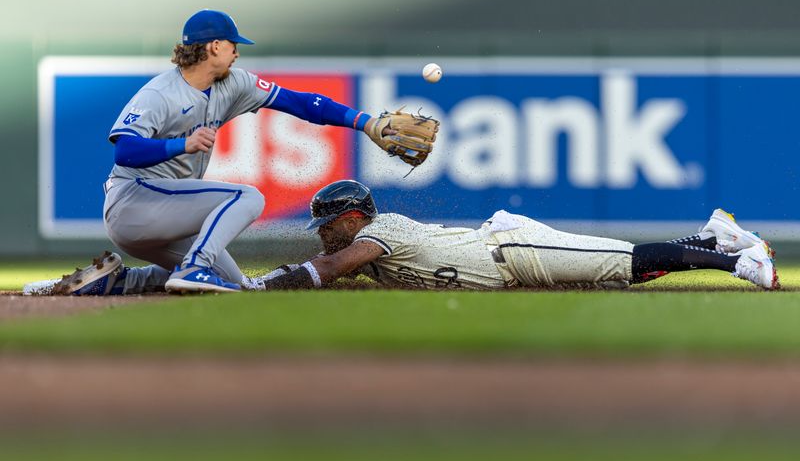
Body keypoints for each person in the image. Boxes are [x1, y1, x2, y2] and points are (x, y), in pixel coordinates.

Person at [48, 9, 424, 295]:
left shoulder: (234, 84)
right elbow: (124, 152)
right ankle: (193, 264)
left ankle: (119, 280)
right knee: (248, 196)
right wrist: (182, 144)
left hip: (167, 215)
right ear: (214, 47)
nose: (237, 53)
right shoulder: (160, 94)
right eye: (233, 45)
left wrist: (366, 122)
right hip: (133, 203)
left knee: (239, 287)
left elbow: (302, 104)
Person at [253, 180, 779, 292]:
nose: (323, 235)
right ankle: (713, 238)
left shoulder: (377, 232)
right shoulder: (363, 248)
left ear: (351, 218)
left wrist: (262, 286)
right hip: (503, 255)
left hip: (508, 254)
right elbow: (327, 268)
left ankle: (738, 261)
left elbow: (326, 270)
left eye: (327, 225)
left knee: (624, 262)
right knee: (618, 270)